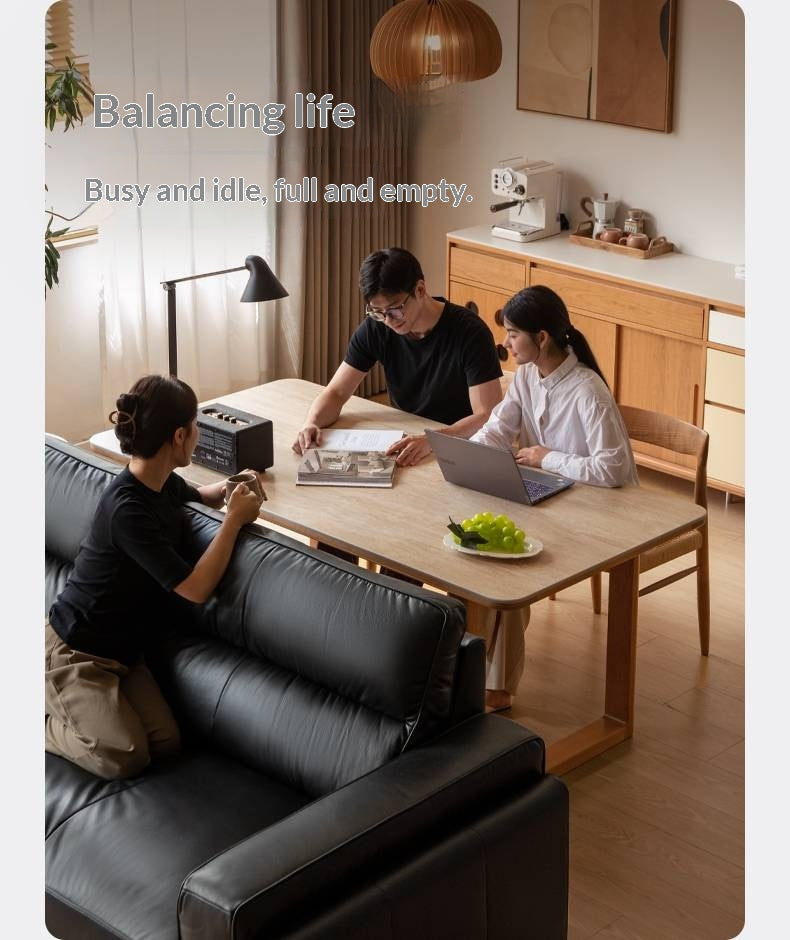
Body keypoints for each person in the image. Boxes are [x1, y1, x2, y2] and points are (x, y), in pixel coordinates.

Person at [45, 375, 264, 780]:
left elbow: (199, 496)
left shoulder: (161, 482)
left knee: (164, 742)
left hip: (125, 655)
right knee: (124, 755)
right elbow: (196, 590)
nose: (199, 433)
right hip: (77, 650)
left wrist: (234, 488)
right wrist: (233, 522)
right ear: (180, 435)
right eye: (197, 425)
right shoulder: (127, 509)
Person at [468, 285, 638, 712]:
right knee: (475, 546)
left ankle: (497, 686)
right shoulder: (527, 376)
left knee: (505, 564)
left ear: (541, 338)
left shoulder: (587, 391)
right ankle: (467, 664)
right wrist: (469, 454)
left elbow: (612, 470)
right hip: (553, 497)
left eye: (512, 334)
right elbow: (499, 428)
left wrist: (548, 457)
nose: (506, 343)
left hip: (599, 510)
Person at [293, 247, 504, 466]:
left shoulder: (470, 332)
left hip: (457, 444)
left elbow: (487, 415)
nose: (388, 320)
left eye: (395, 309)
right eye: (378, 312)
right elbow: (337, 392)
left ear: (420, 290)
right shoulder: (377, 328)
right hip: (406, 439)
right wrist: (312, 423)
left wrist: (432, 439)